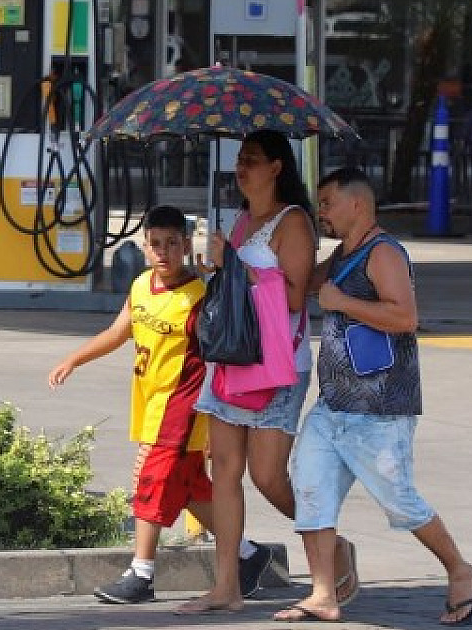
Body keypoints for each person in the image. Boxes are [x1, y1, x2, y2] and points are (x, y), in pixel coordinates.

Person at [277, 166, 472, 624]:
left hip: (379, 411)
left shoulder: (384, 253)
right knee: (311, 490)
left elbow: (405, 318)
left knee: (400, 501)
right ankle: (322, 593)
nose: (323, 213)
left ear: (357, 204)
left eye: (328, 203)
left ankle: (460, 570)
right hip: (333, 406)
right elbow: (300, 285)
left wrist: (342, 302)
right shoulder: (340, 256)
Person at [47, 205, 273, 605]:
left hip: (183, 409)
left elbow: (227, 349)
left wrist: (223, 276)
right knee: (188, 490)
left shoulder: (201, 295)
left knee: (149, 482)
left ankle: (141, 573)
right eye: (156, 244)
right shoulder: (140, 286)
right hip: (150, 404)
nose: (164, 252)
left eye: (172, 244)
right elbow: (118, 332)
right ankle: (248, 554)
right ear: (145, 247)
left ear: (187, 246)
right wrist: (73, 359)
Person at [177, 130, 357, 614]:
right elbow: (237, 289)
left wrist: (234, 265)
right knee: (225, 472)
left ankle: (333, 548)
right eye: (239, 160)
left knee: (267, 475)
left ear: (277, 167)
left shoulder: (292, 222)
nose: (242, 169)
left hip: (276, 365)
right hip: (233, 360)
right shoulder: (238, 221)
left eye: (252, 161)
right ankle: (227, 587)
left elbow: (296, 298)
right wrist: (211, 269)